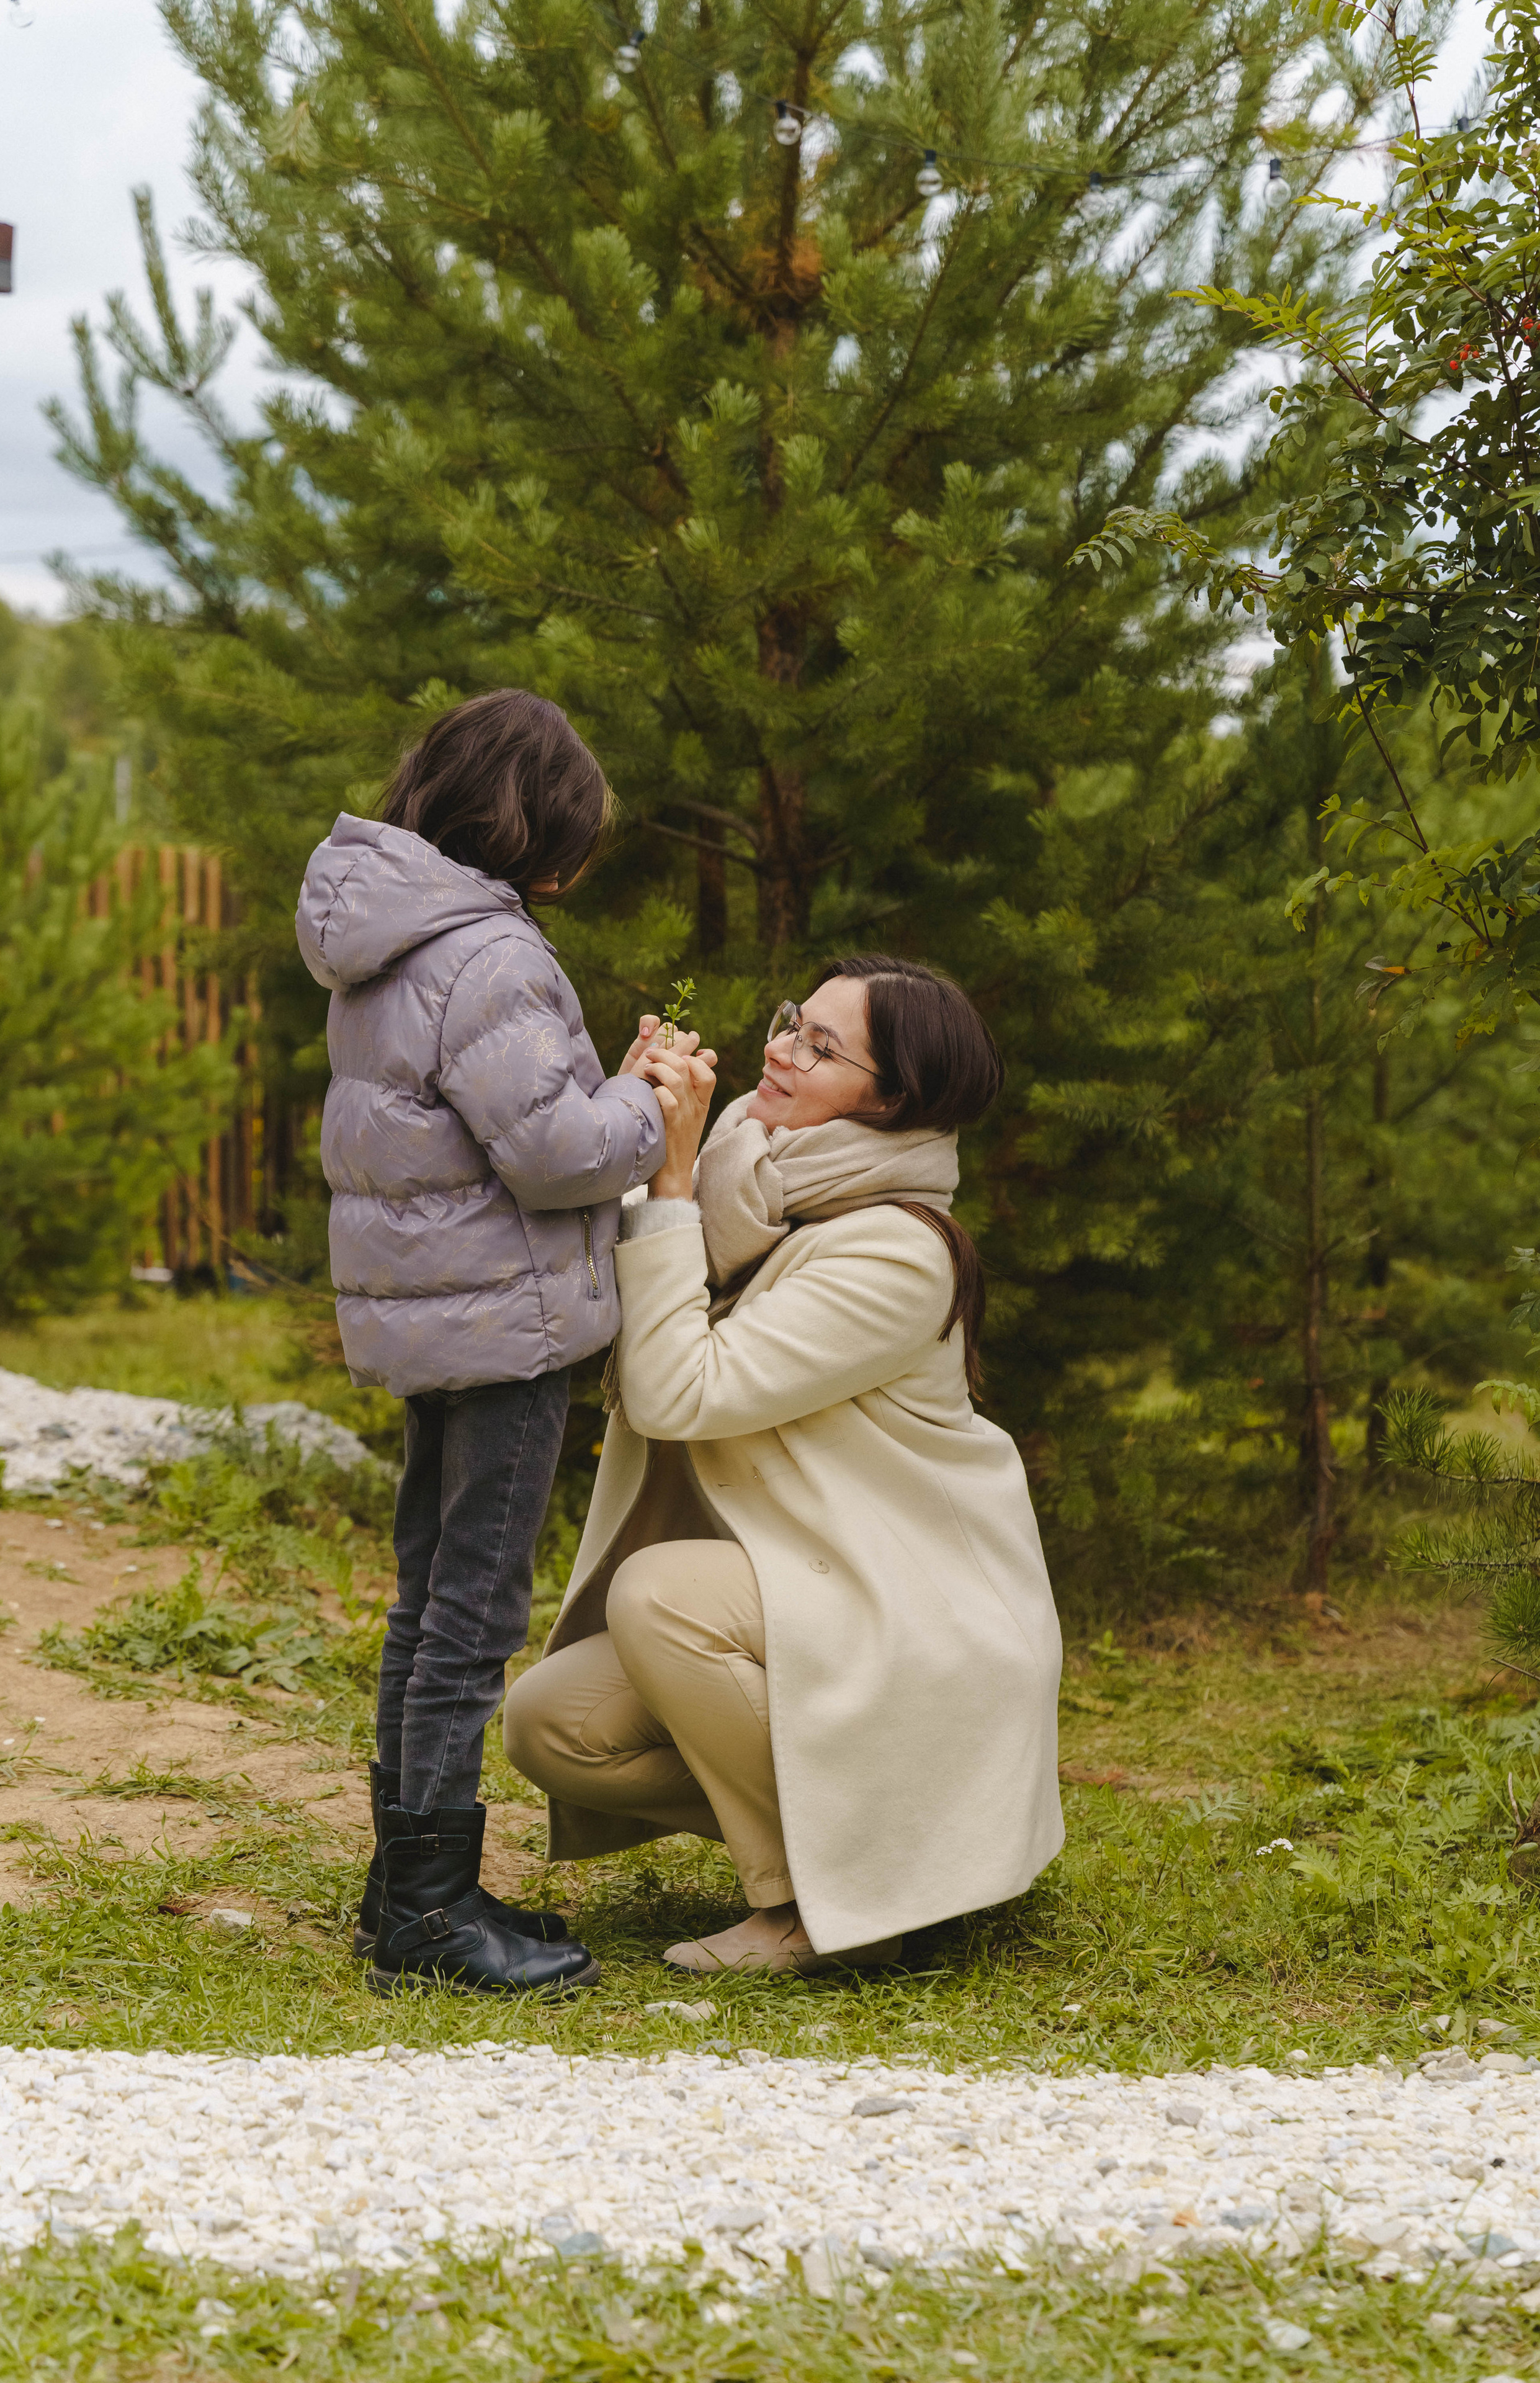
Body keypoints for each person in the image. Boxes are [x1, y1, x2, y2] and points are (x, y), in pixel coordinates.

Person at [504, 956, 1064, 1973]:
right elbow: (636, 1326)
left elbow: (681, 1391)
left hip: (912, 1606)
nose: (779, 1049)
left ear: (893, 1101)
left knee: (662, 1596)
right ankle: (892, 1847)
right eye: (792, 1023)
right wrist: (640, 1138)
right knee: (554, 1723)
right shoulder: (754, 1185)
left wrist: (671, 1185)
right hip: (819, 1588)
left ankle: (819, 1909)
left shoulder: (898, 1251)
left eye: (821, 1045)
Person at [295, 689, 709, 1998]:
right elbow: (551, 1154)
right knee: (471, 1615)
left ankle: (401, 1886)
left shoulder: (388, 938)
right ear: (532, 825)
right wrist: (646, 1104)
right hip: (507, 1327)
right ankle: (427, 1913)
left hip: (429, 1316)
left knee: (429, 1603)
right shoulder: (491, 954)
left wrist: (601, 1093)